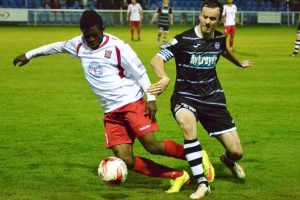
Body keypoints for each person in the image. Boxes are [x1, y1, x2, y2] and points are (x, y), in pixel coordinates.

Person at [12, 10, 191, 193]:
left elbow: (140, 73)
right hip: (111, 113)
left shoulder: (118, 47)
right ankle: (177, 175)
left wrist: (151, 99)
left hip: (131, 103)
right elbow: (56, 46)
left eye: (94, 35)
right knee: (126, 159)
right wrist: (29, 55)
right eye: (86, 35)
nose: (90, 39)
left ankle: (196, 156)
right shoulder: (78, 44)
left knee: (152, 146)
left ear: (103, 30)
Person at [148, 0, 253, 199]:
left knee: (237, 151)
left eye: (212, 19)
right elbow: (157, 59)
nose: (207, 21)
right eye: (204, 17)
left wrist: (238, 62)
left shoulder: (220, 39)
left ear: (219, 19)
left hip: (213, 99)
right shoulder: (183, 39)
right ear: (200, 15)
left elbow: (223, 51)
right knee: (188, 127)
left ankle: (228, 161)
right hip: (185, 96)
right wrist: (164, 77)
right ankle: (202, 183)